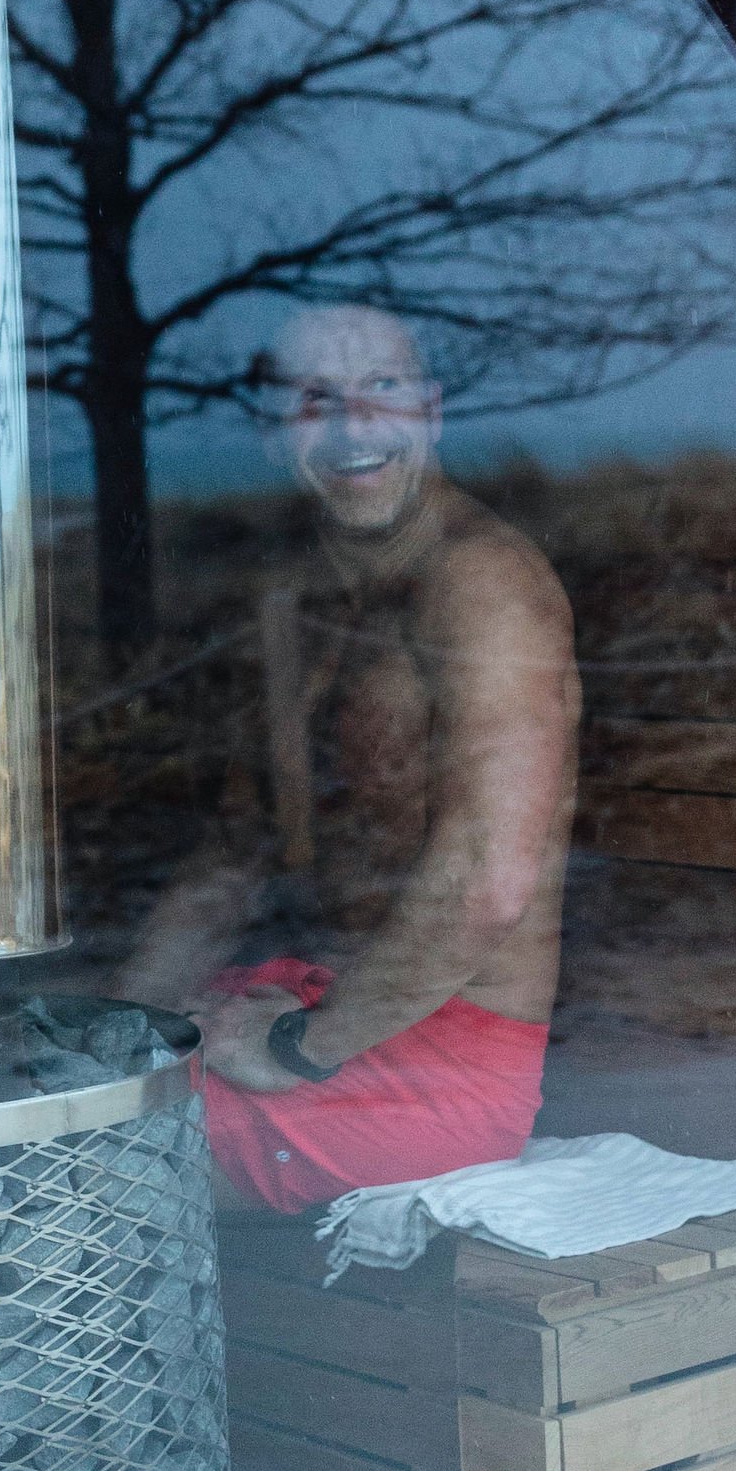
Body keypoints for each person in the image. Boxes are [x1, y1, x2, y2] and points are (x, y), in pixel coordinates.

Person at [120, 303, 578, 1213]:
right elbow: (235, 852)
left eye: (383, 390)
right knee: (48, 1106)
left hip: (439, 1058)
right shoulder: (304, 593)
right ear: (269, 433)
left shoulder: (481, 583)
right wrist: (108, 1032)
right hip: (314, 1002)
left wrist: (300, 1050)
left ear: (432, 411)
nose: (354, 426)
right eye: (315, 399)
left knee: (84, 1172)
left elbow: (490, 880)